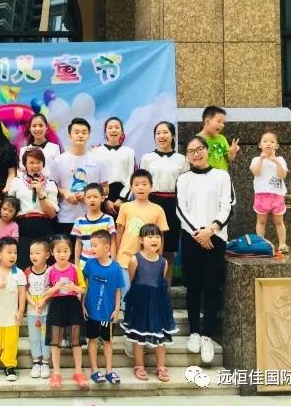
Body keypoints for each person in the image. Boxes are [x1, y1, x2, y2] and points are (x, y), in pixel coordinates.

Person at [176, 136, 234, 364]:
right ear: (187, 156)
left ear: (207, 150)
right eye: (191, 151)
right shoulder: (183, 179)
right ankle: (194, 332)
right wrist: (198, 233)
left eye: (199, 149)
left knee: (211, 287)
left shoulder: (222, 176)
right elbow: (180, 209)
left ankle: (208, 335)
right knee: (193, 286)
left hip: (216, 237)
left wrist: (211, 230)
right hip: (191, 237)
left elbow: (227, 206)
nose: (196, 154)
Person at [121, 224, 177, 382]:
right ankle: (139, 365)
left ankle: (161, 366)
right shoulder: (135, 259)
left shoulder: (163, 262)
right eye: (150, 236)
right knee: (138, 334)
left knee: (160, 336)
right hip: (140, 302)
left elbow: (160, 281)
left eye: (157, 236)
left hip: (158, 303)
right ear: (141, 240)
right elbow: (132, 280)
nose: (154, 240)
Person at [140, 121, 189, 282]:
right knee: (150, 243)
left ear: (173, 135)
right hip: (152, 202)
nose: (162, 136)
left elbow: (186, 184)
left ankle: (165, 288)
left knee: (168, 248)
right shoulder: (147, 158)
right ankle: (149, 284)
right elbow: (142, 183)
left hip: (173, 204)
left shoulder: (182, 159)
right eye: (158, 133)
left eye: (165, 132)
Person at [51, 118, 109, 237]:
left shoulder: (98, 161)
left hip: (92, 218)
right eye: (76, 132)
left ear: (89, 135)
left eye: (84, 132)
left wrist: (89, 195)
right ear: (69, 135)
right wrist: (65, 192)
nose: (80, 135)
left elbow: (106, 189)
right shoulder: (59, 161)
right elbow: (52, 187)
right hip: (65, 218)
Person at [43, 234, 88, 390]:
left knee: (76, 340)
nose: (62, 254)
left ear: (70, 251)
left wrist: (74, 288)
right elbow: (45, 292)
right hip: (56, 305)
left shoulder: (75, 269)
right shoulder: (50, 270)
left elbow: (83, 289)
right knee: (55, 340)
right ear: (52, 252)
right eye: (58, 251)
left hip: (73, 305)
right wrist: (55, 288)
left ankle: (78, 372)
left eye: (65, 251)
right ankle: (56, 372)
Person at [82, 230, 124, 385]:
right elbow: (85, 286)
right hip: (91, 311)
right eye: (91, 245)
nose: (92, 248)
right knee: (92, 340)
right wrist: (82, 304)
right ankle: (94, 370)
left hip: (108, 313)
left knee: (108, 341)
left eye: (95, 245)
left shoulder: (116, 267)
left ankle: (109, 370)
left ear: (107, 247)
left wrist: (117, 309)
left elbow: (118, 290)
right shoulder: (90, 264)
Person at [0, 237, 27, 382]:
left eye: (15, 252)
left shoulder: (19, 273)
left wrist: (21, 311)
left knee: (11, 343)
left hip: (12, 316)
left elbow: (22, 293)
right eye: (9, 252)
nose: (13, 255)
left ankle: (10, 366)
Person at [8, 148, 58, 271]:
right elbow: (10, 207)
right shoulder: (16, 182)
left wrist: (40, 192)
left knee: (44, 266)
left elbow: (52, 214)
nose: (35, 166)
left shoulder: (50, 184)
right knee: (23, 265)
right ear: (25, 164)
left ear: (43, 164)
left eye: (39, 162)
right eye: (31, 162)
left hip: (43, 226)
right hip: (22, 227)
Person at [250, 131, 289, 253]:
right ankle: (260, 243)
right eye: (265, 141)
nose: (268, 144)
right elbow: (256, 172)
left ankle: (282, 244)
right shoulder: (256, 159)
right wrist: (262, 159)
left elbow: (282, 175)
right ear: (260, 145)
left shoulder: (280, 159)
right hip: (261, 195)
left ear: (277, 146)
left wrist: (276, 161)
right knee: (261, 221)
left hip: (277, 195)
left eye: (272, 142)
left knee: (279, 221)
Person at [92, 117, 135, 215]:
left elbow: (131, 176)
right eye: (110, 127)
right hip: (102, 195)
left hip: (123, 195)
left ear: (122, 131)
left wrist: (122, 198)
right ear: (105, 132)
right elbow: (94, 177)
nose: (113, 130)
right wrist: (104, 199)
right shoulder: (96, 152)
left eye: (117, 127)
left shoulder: (129, 152)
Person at [24, 239, 52, 380]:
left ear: (47, 255)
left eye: (37, 253)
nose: (33, 256)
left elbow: (52, 290)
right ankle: (36, 362)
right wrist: (33, 303)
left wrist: (43, 301)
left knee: (46, 337)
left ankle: (45, 362)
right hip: (32, 311)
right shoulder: (27, 271)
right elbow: (24, 290)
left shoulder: (51, 271)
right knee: (34, 337)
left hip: (48, 311)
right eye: (31, 253)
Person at [72, 183, 116, 268]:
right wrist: (77, 265)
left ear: (102, 198)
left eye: (95, 197)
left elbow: (113, 242)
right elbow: (78, 243)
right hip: (85, 265)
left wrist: (113, 263)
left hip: (104, 264)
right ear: (85, 199)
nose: (92, 200)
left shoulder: (108, 219)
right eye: (89, 197)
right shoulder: (79, 221)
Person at [18, 113, 61, 177]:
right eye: (34, 126)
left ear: (46, 127)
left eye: (41, 125)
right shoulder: (23, 150)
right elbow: (22, 173)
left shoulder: (55, 148)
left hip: (50, 183)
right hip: (28, 183)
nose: (37, 129)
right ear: (30, 128)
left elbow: (57, 172)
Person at [198, 106, 239, 170]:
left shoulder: (222, 138)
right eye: (219, 121)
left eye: (223, 123)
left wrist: (232, 153)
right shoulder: (196, 140)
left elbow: (229, 159)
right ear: (207, 121)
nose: (222, 125)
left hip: (222, 175)